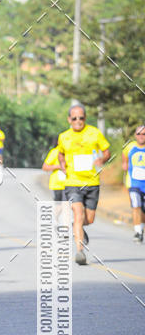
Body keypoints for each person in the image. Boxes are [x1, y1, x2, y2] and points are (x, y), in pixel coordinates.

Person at [57, 102, 110, 265]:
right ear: (69, 119)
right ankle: (80, 252)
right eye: (74, 118)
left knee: (90, 219)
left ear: (85, 118)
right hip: (73, 182)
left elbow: (106, 151)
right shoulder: (64, 136)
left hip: (92, 182)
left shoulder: (94, 133)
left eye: (81, 118)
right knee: (78, 214)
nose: (78, 121)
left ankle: (76, 227)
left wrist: (103, 158)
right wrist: (62, 165)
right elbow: (60, 154)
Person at [122, 124, 145, 242]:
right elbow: (124, 155)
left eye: (143, 134)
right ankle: (137, 232)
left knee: (143, 210)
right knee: (136, 206)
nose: (141, 136)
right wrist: (124, 163)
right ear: (135, 135)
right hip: (133, 183)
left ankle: (141, 227)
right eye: (139, 134)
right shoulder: (130, 147)